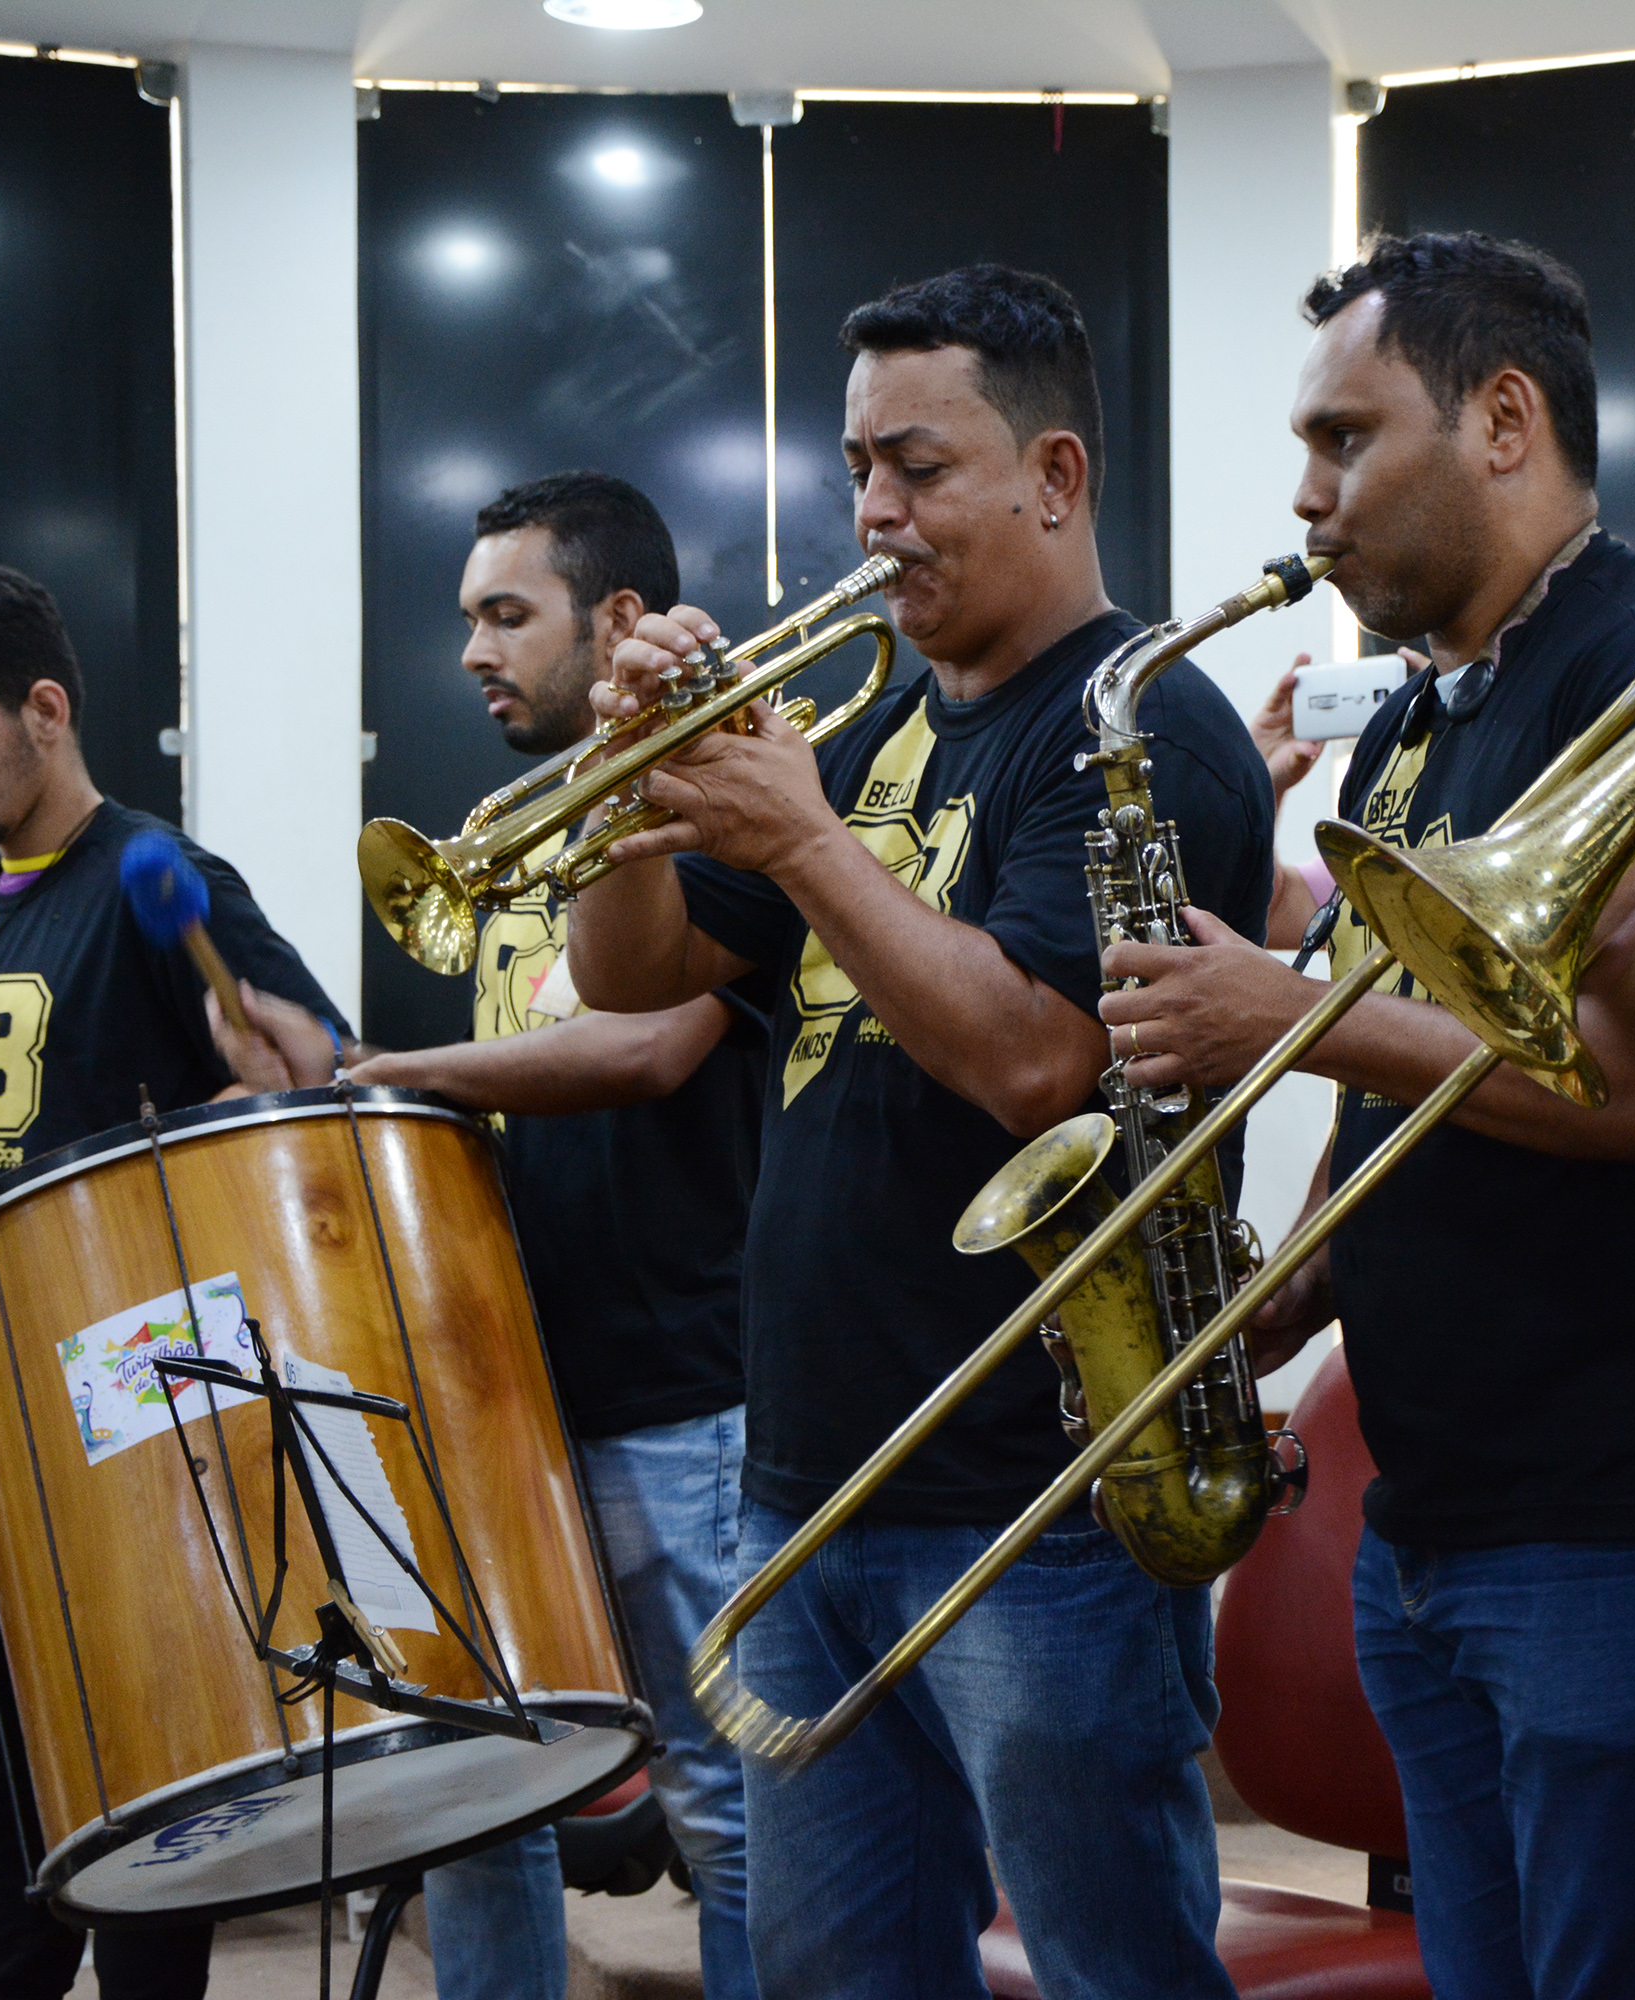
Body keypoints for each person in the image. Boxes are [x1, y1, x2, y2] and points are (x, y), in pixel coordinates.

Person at [559, 264, 1271, 2000]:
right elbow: (634, 975)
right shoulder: (878, 720)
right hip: (810, 1480)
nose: (874, 512)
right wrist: (624, 788)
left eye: (920, 467)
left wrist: (805, 842)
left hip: (1032, 1495)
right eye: (859, 468)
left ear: (1054, 475)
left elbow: (1040, 1064)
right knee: (836, 1975)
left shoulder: (1139, 731)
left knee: (1112, 1968)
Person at [1100, 233, 1635, 1998]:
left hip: (1617, 1526)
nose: (1307, 499)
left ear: (1504, 421)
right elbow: (1410, 1084)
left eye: (1346, 439)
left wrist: (1285, 1013)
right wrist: (1284, 1292)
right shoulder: (1401, 736)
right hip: (1431, 1518)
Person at [213, 471, 763, 2000]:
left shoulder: (718, 794)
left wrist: (395, 1073)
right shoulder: (511, 826)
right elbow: (523, 1060)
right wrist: (334, 1078)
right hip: (509, 1388)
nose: (471, 650)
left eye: (507, 615)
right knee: (475, 1790)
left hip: (681, 1389)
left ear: (621, 618)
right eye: (470, 616)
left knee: (725, 1806)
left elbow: (651, 1044)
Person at [0, 562, 349, 2000]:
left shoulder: (163, 880)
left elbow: (303, 1076)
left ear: (45, 709)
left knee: (149, 1778)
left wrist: (279, 1074)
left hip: (120, 1379)